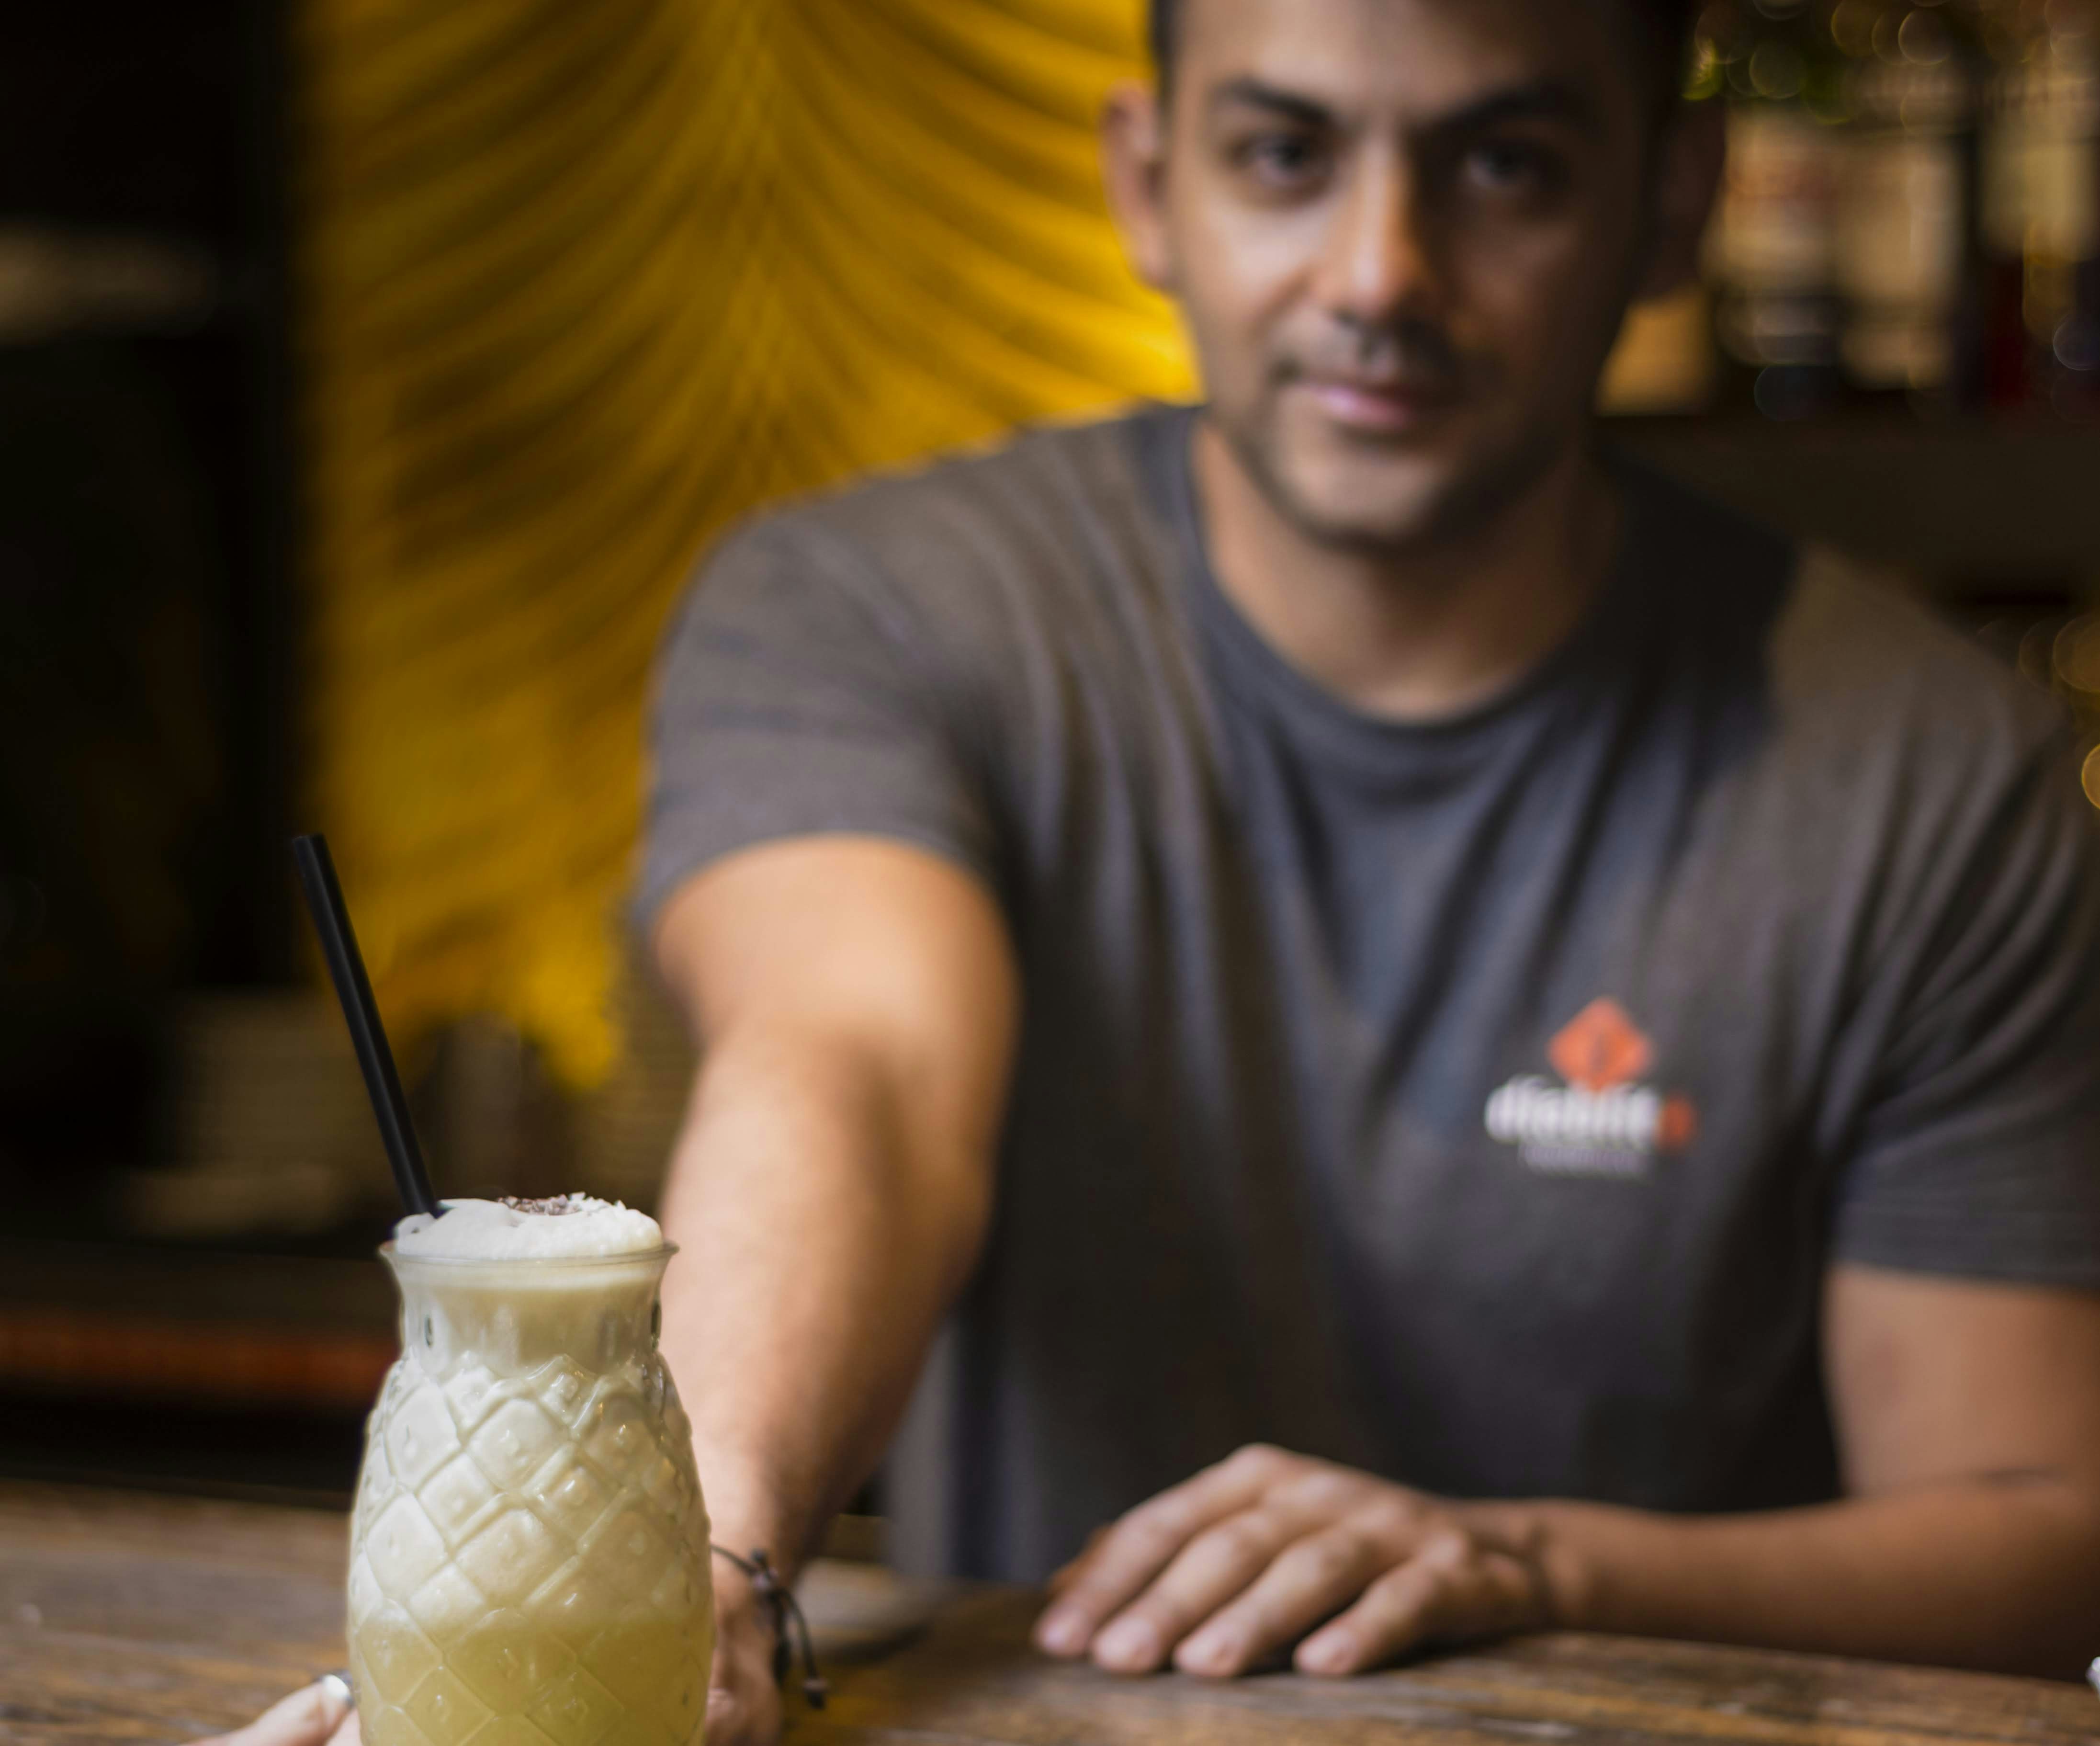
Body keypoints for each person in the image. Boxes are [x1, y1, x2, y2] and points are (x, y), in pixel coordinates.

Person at [212, 0, 2100, 1744]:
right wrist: (686, 1578)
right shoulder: (875, 613)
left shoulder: (1935, 771)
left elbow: (2038, 1530)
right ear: (1144, 182)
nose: (1379, 275)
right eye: (1282, 154)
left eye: (1502, 165)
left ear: (1668, 205)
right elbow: (857, 1068)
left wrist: (1531, 1563)